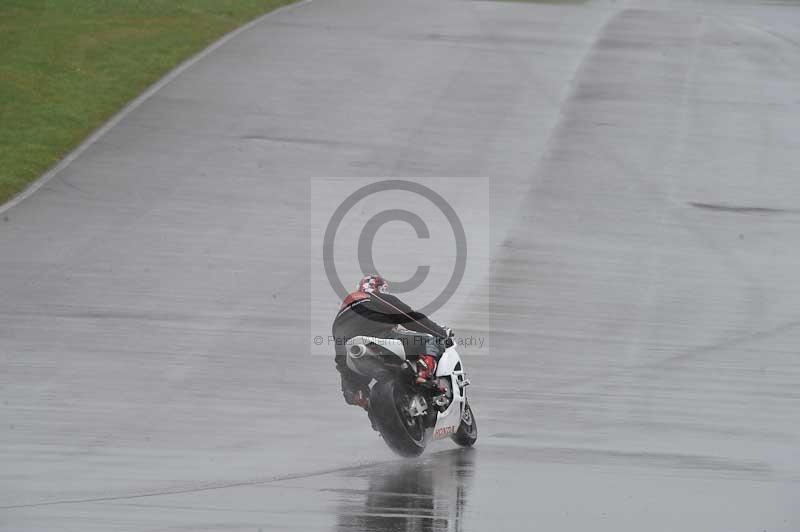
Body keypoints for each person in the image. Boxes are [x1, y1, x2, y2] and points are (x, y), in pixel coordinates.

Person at [332, 274, 451, 409]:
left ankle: (367, 403)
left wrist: (351, 388)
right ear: (379, 289)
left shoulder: (338, 319)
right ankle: (424, 374)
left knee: (355, 385)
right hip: (380, 340)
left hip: (356, 356)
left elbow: (341, 360)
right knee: (429, 340)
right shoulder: (374, 297)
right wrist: (440, 333)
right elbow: (410, 318)